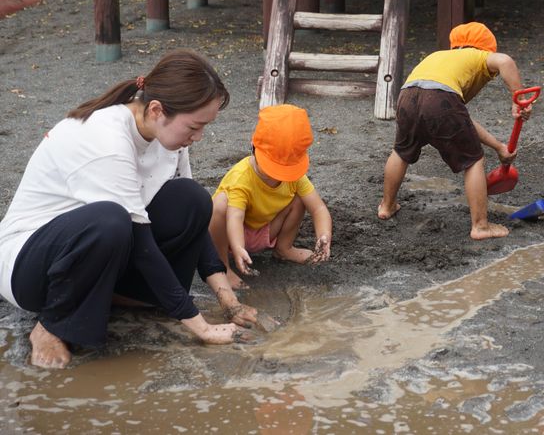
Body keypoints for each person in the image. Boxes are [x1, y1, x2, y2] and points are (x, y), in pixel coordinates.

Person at [0, 49, 258, 370]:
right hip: (27, 266)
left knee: (191, 198)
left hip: (99, 252)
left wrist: (228, 301)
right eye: (194, 126)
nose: (199, 137)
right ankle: (53, 323)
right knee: (111, 220)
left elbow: (196, 224)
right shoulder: (107, 139)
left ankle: (115, 296)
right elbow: (141, 245)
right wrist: (201, 327)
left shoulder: (168, 137)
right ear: (157, 109)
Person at [378, 22, 531, 240]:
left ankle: (387, 206)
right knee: (474, 161)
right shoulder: (479, 55)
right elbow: (505, 61)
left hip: (407, 96)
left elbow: (460, 119)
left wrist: (499, 147)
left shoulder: (439, 58)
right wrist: (518, 98)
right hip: (440, 100)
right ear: (486, 48)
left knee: (401, 152)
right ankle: (481, 226)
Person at [209, 104, 332, 289]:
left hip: (266, 230)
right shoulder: (241, 177)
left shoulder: (295, 177)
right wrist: (238, 247)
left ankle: (284, 248)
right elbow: (235, 217)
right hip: (231, 237)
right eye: (272, 169)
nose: (278, 177)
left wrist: (324, 235)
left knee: (300, 198)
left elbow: (318, 208)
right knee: (219, 204)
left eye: (286, 170)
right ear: (253, 148)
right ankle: (223, 267)